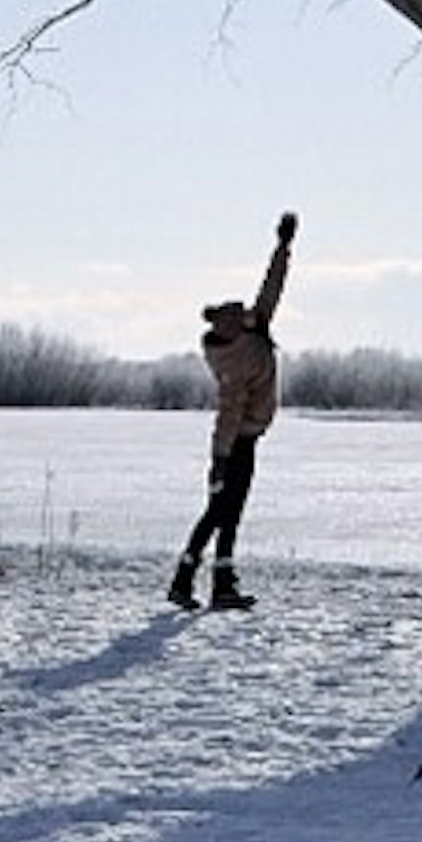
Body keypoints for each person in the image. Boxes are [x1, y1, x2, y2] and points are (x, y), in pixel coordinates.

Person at [168, 211, 296, 609]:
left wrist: (282, 248)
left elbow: (271, 289)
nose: (248, 314)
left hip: (246, 440)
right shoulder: (235, 362)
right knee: (220, 513)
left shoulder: (251, 332)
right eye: (240, 315)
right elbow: (228, 413)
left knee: (223, 514)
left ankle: (208, 583)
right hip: (236, 445)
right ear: (231, 328)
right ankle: (193, 582)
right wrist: (221, 460)